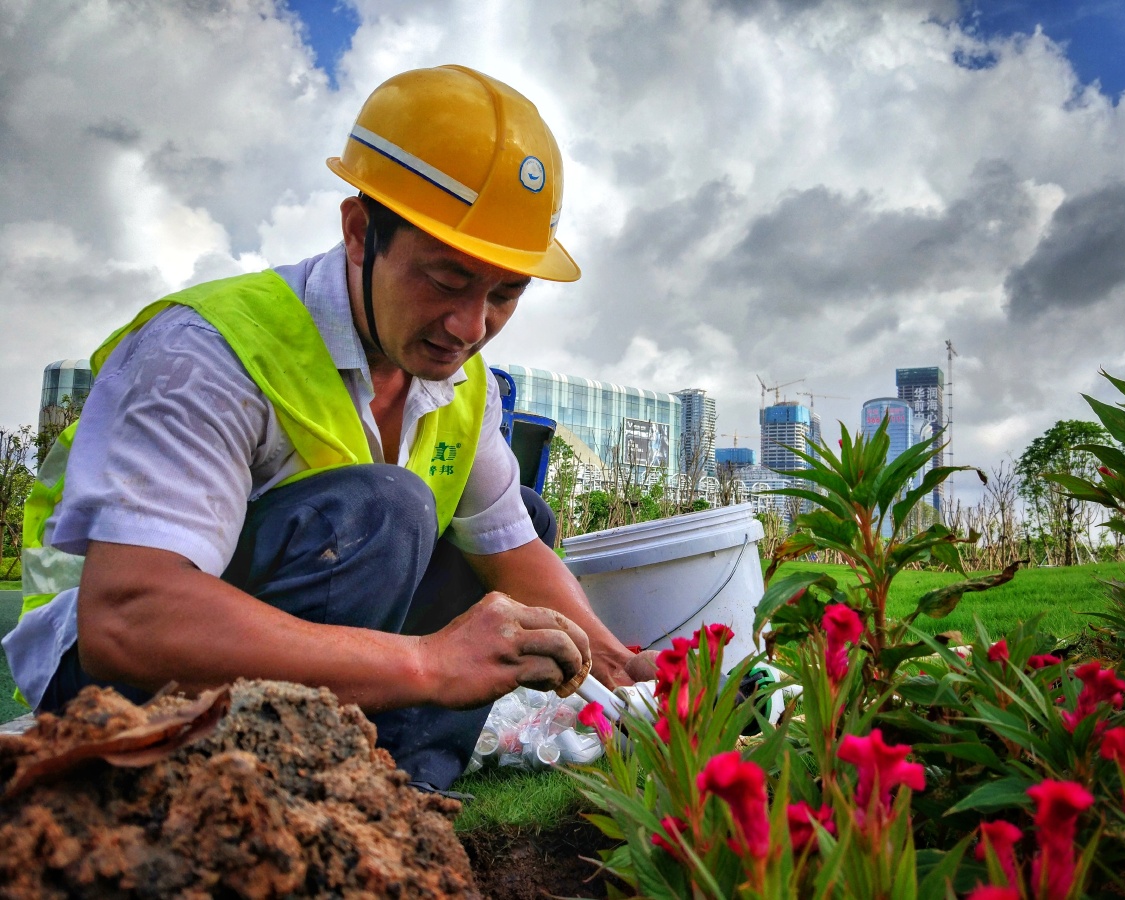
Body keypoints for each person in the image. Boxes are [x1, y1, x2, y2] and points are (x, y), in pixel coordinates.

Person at [4, 65, 656, 791]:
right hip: (107, 684)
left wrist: (623, 667)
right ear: (357, 231)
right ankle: (270, 790)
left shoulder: (458, 382)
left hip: (269, 652)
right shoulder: (207, 351)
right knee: (390, 509)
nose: (470, 328)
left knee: (518, 519)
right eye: (444, 280)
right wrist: (429, 666)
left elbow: (513, 547)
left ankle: (402, 798)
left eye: (505, 294)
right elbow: (128, 618)